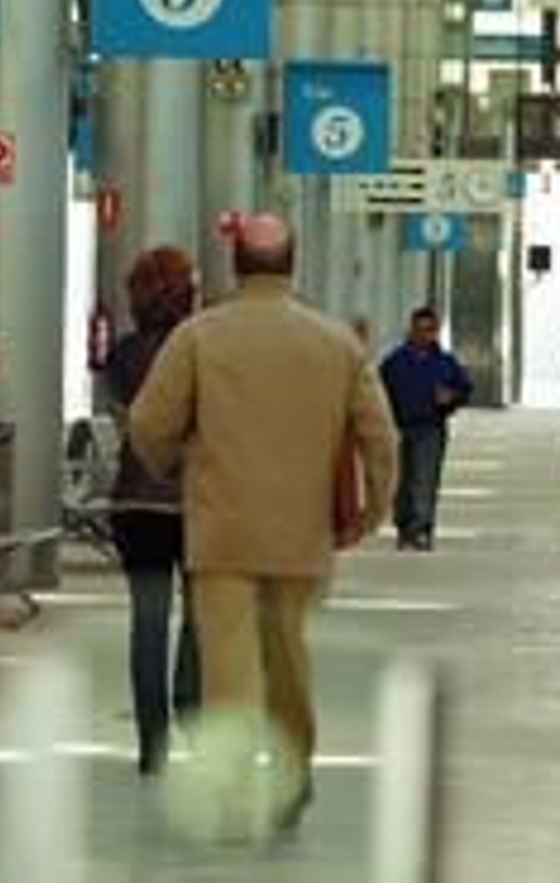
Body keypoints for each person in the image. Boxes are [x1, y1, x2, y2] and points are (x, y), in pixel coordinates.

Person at [128, 214, 398, 831]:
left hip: (221, 531)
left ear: (236, 265)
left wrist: (174, 463)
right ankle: (293, 775)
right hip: (303, 536)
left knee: (229, 670)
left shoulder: (200, 337)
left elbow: (148, 423)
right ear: (293, 263)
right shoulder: (336, 343)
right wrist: (371, 512)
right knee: (288, 658)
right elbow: (380, 439)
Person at [105, 245, 201, 777]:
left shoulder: (123, 354)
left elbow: (125, 402)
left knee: (147, 624)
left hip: (136, 506)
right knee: (200, 616)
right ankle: (190, 701)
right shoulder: (203, 348)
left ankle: (152, 746)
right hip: (193, 505)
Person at [378, 306, 473, 551]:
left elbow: (464, 389)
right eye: (419, 330)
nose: (423, 334)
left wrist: (450, 398)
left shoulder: (445, 363)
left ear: (436, 332)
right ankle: (404, 527)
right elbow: (378, 393)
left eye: (429, 330)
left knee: (425, 481)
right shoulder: (394, 362)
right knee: (401, 482)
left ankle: (421, 529)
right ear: (411, 330)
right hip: (399, 428)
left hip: (431, 428)